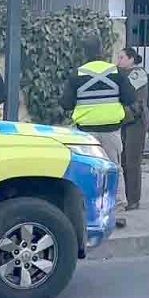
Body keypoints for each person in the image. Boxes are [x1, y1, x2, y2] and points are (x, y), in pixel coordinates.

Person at [60, 37, 135, 228]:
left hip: (85, 133)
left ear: (84, 53)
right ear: (102, 50)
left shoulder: (77, 75)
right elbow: (129, 98)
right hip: (111, 130)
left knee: (86, 171)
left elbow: (66, 103)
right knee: (114, 169)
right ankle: (117, 212)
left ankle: (88, 213)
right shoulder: (116, 73)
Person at [118, 47, 149, 211]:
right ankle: (126, 197)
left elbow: (134, 99)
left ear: (131, 59)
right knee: (123, 161)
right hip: (123, 120)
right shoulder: (121, 74)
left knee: (132, 161)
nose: (118, 61)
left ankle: (133, 199)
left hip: (135, 121)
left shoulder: (138, 74)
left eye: (122, 58)